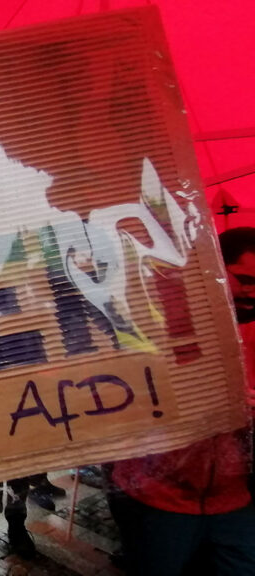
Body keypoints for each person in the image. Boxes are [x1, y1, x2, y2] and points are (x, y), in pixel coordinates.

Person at [110, 227, 255, 576]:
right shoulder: (159, 318)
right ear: (216, 269)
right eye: (246, 279)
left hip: (236, 498)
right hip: (159, 498)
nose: (253, 291)